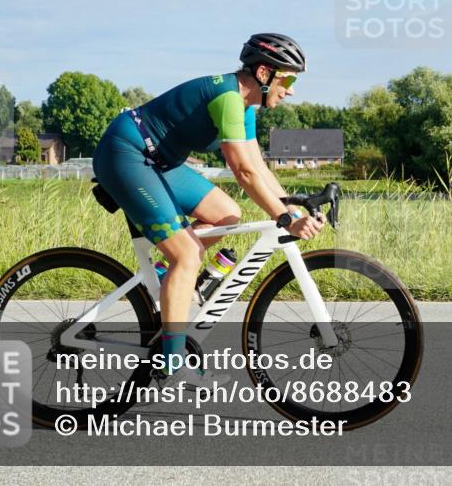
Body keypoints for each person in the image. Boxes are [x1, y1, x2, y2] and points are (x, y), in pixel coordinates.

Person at [91, 33, 325, 386]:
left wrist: (292, 208)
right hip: (127, 153)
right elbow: (243, 172)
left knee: (227, 213)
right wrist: (284, 218)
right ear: (264, 73)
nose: (291, 91)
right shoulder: (228, 98)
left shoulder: (245, 106)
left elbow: (258, 167)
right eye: (288, 80)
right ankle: (173, 363)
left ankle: (166, 276)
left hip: (159, 161)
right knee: (187, 255)